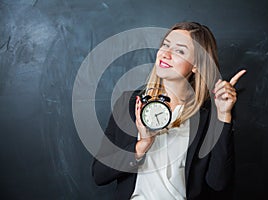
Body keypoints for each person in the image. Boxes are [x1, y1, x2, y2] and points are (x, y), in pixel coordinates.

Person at [92, 21, 246, 199]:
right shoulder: (130, 103)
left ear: (196, 65)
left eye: (179, 51)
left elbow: (218, 183)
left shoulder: (208, 115)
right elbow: (99, 175)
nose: (165, 54)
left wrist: (224, 115)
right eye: (165, 45)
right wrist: (139, 148)